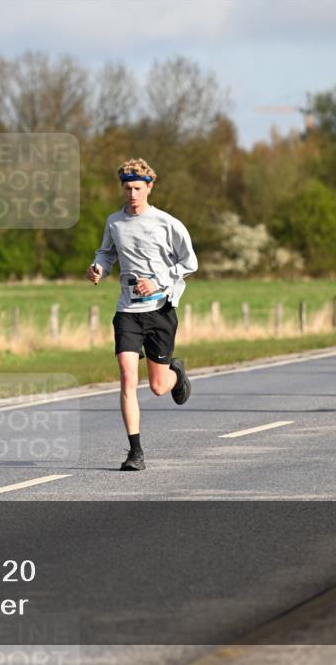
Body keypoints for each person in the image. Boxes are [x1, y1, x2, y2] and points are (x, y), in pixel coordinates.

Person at [87, 158, 198, 471]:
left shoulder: (167, 223)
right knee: (127, 375)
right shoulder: (115, 222)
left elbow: (189, 263)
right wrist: (98, 268)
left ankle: (176, 373)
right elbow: (106, 253)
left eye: (137, 188)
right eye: (127, 188)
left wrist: (158, 281)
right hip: (128, 311)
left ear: (150, 187)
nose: (132, 194)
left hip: (160, 310)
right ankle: (135, 452)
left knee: (158, 387)